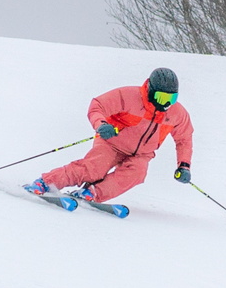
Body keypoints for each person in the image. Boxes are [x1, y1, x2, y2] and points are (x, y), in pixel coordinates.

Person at [25, 67, 193, 211]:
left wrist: (184, 166)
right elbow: (97, 105)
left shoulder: (177, 113)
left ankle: (92, 193)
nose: (165, 104)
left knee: (137, 173)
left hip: (141, 154)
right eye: (161, 98)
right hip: (112, 142)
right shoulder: (128, 96)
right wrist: (101, 124)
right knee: (93, 169)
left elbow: (184, 139)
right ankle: (45, 183)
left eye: (171, 99)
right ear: (150, 89)